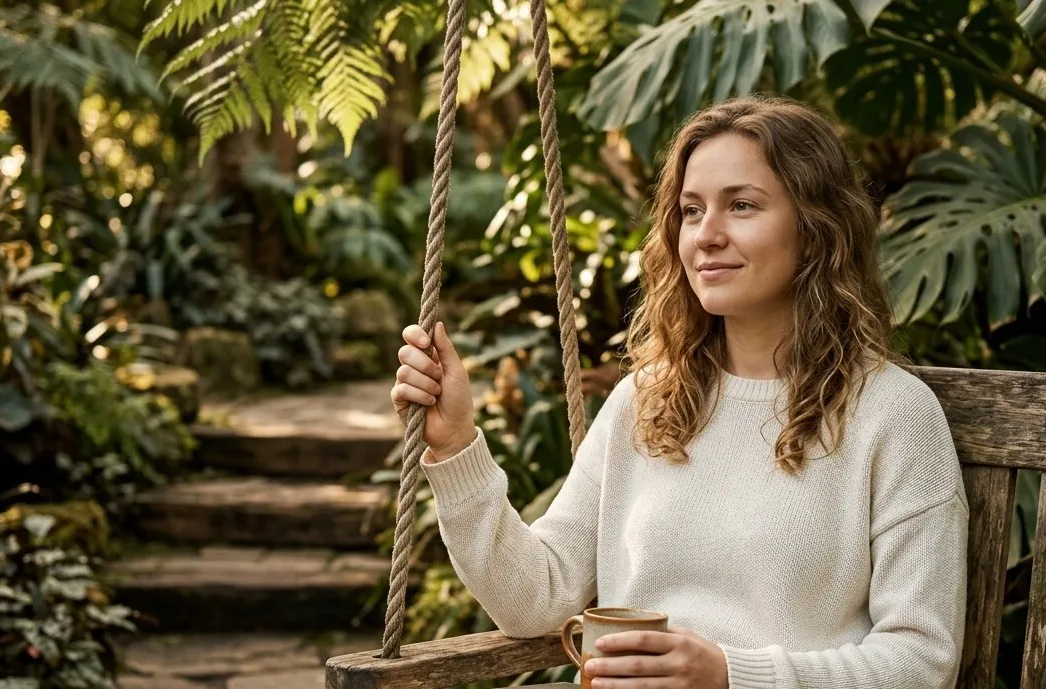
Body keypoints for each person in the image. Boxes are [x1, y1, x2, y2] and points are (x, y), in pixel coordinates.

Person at [390, 96, 968, 689]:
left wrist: (730, 676)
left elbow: (921, 661)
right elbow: (535, 599)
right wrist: (455, 442)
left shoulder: (892, 414)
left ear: (817, 226)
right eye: (691, 211)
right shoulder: (647, 401)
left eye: (741, 206)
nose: (707, 235)